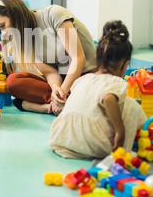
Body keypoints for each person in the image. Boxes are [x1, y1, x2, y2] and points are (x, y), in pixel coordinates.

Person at [49, 21, 146, 159]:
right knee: (131, 106)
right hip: (92, 142)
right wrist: (120, 131)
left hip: (61, 138)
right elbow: (108, 99)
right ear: (125, 65)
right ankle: (123, 150)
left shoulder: (82, 79)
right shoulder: (116, 82)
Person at [0, 0, 98, 115]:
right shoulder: (23, 37)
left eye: (3, 26)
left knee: (20, 101)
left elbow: (78, 58)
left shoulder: (53, 14)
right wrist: (56, 89)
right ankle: (55, 105)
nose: (3, 33)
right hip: (63, 81)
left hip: (85, 76)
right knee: (13, 82)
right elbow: (51, 72)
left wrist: (63, 91)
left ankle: (41, 105)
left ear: (15, 15)